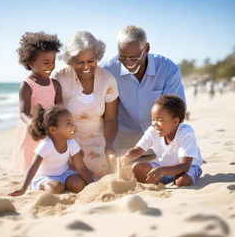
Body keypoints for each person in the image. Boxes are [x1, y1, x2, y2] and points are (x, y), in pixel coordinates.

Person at [104, 26, 186, 155]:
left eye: (134, 58)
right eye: (123, 58)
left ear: (146, 48)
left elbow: (175, 113)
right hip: (124, 138)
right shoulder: (108, 70)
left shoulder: (168, 69)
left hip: (161, 134)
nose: (128, 63)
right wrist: (108, 145)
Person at [54, 31, 119, 179]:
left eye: (91, 61)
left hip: (98, 142)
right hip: (67, 141)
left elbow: (111, 119)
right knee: (72, 177)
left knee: (102, 173)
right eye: (79, 62)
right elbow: (54, 117)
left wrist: (108, 145)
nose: (86, 67)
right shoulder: (60, 78)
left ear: (98, 57)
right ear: (70, 60)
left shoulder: (107, 80)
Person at [9, 104, 93, 196]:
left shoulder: (71, 142)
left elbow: (81, 167)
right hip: (46, 177)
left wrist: (93, 185)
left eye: (72, 122)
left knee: (79, 185)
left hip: (64, 174)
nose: (73, 126)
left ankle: (64, 185)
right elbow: (33, 168)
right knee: (56, 188)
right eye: (68, 123)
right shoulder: (46, 145)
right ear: (53, 130)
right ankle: (43, 185)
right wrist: (23, 188)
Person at [121, 94, 203, 187]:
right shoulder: (153, 131)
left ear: (175, 121)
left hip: (186, 168)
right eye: (153, 119)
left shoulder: (186, 133)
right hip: (162, 168)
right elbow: (138, 149)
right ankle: (160, 180)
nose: (155, 124)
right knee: (136, 168)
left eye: (160, 120)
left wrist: (162, 170)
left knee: (181, 182)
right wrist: (125, 157)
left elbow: (184, 165)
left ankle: (173, 178)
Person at [12, 31, 63, 173]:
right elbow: (23, 112)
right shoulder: (27, 85)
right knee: (31, 163)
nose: (51, 66)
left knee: (48, 163)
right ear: (30, 62)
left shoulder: (55, 84)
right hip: (32, 132)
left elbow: (60, 109)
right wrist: (31, 123)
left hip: (50, 129)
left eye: (53, 62)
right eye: (46, 62)